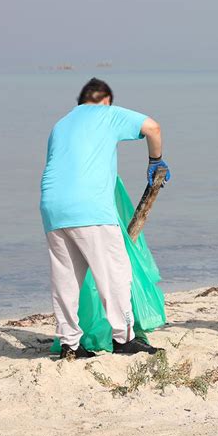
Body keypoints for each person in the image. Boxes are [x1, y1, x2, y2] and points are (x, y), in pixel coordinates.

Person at [40, 78, 171, 359]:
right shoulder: (107, 113)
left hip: (52, 207)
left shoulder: (60, 124)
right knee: (115, 273)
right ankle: (124, 339)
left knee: (66, 278)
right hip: (91, 208)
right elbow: (153, 128)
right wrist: (155, 160)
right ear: (106, 100)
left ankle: (69, 345)